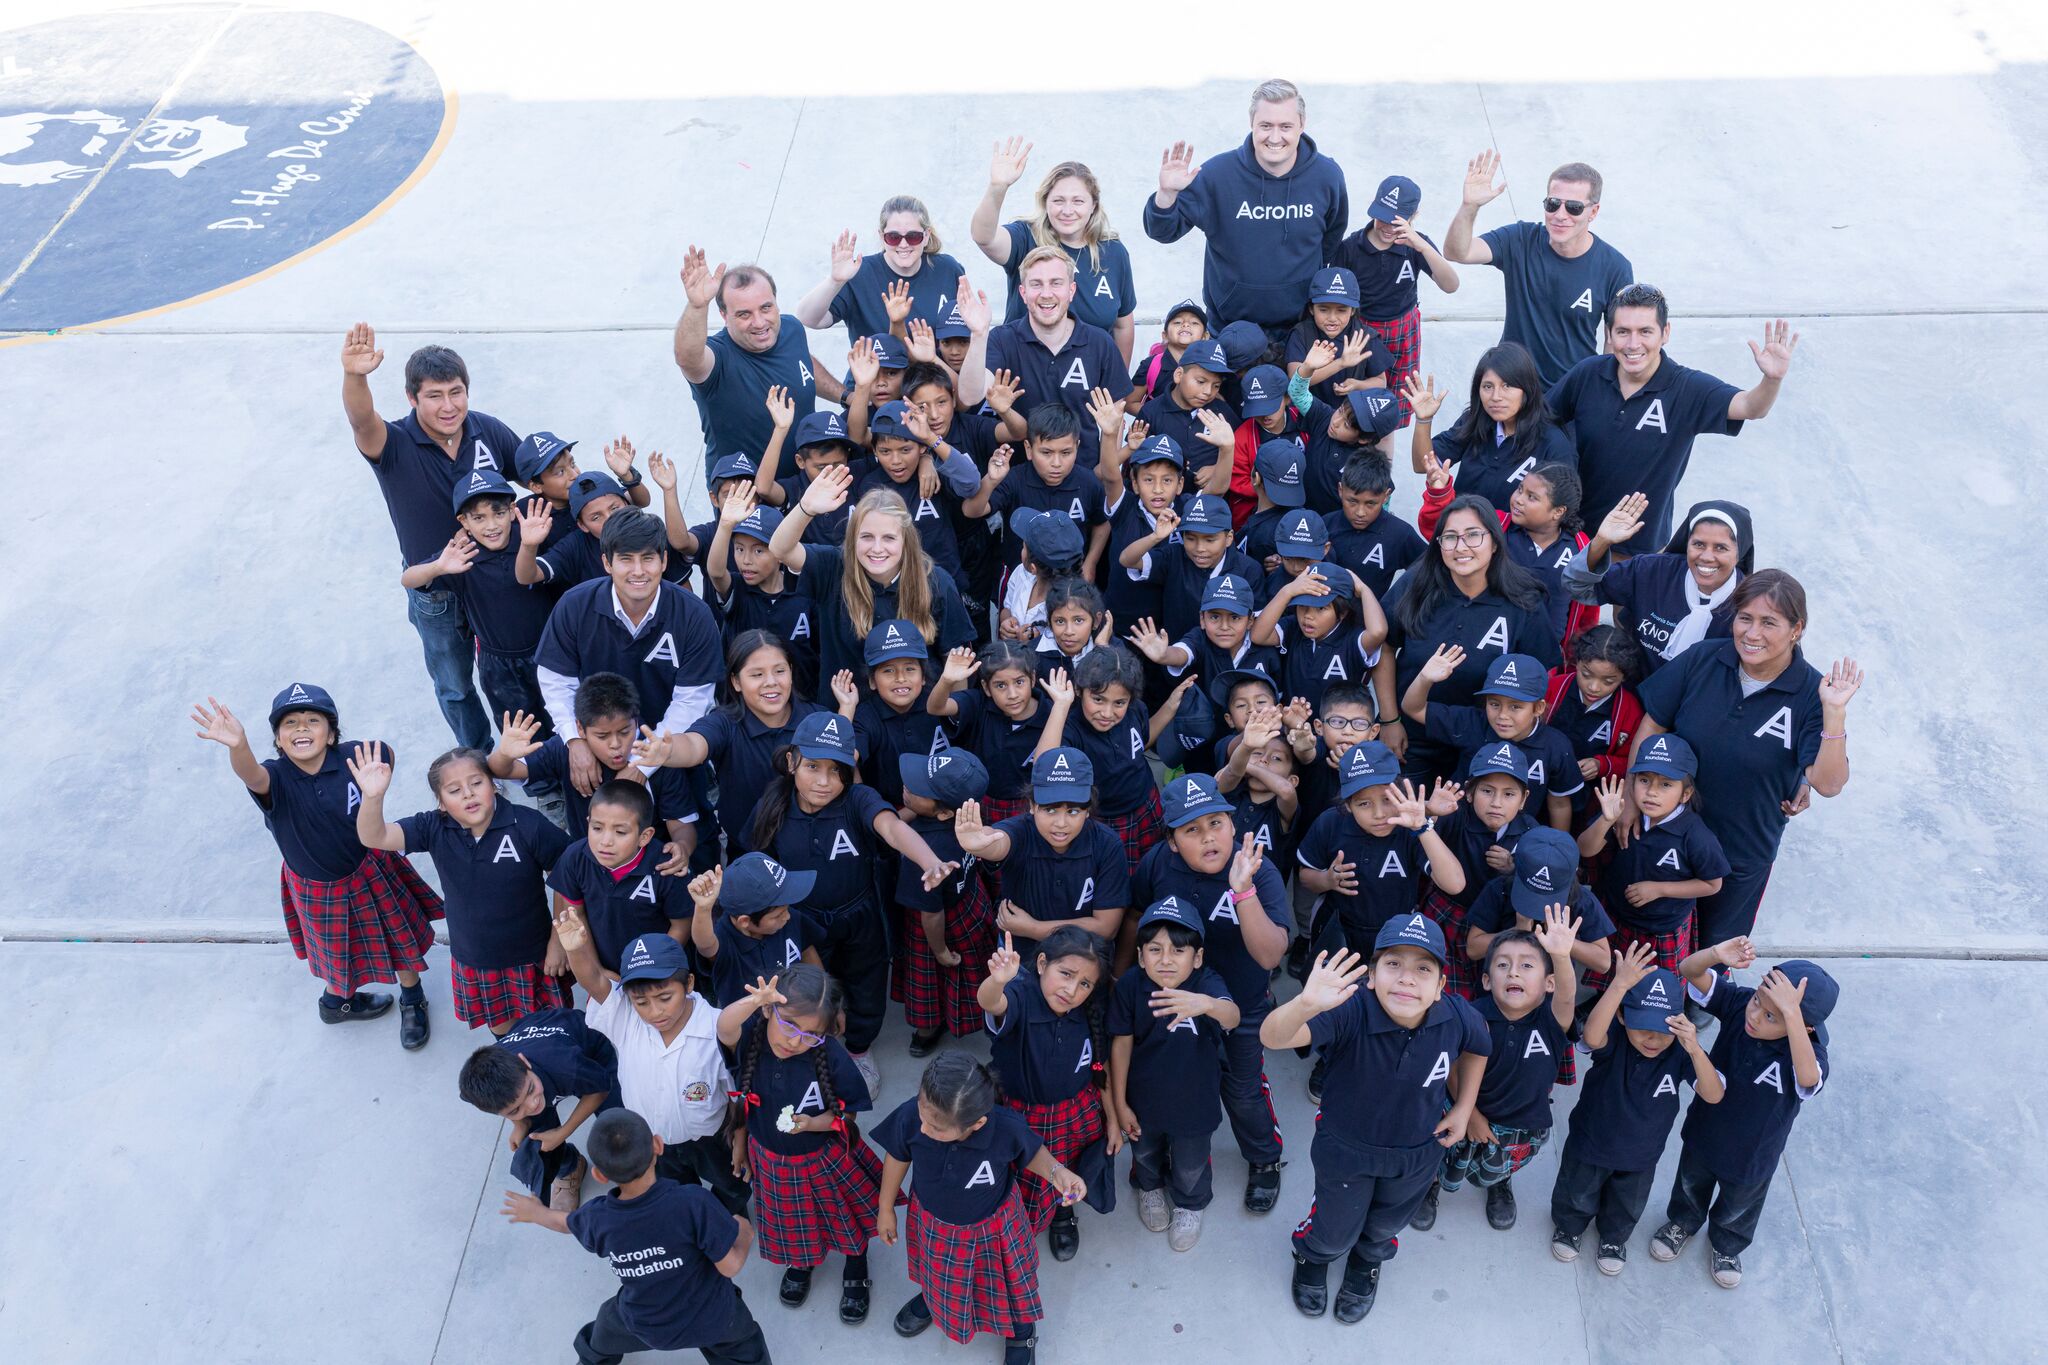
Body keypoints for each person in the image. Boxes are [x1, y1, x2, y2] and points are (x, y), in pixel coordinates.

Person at [1262, 919, 1489, 1324]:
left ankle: (1367, 1260)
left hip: (1418, 1151)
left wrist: (1464, 1105)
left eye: (1423, 969)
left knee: (1388, 1222)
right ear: (1371, 975)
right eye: (1393, 964)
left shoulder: (1455, 1015)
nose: (1407, 978)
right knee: (1334, 1225)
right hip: (1346, 1149)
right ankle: (1314, 1255)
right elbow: (1273, 1037)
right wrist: (1305, 1004)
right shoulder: (1349, 1010)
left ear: (1440, 985)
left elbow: (1479, 1043)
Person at [191, 686, 438, 1047]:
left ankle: (412, 998)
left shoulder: (354, 759)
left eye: (312, 720)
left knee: (396, 938)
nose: (302, 727)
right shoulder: (275, 778)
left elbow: (384, 754)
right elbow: (251, 774)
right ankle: (336, 1003)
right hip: (318, 888)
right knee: (335, 953)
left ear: (332, 734)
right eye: (290, 723)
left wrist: (375, 785)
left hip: (369, 869)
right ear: (278, 740)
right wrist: (238, 746)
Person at [1628, 571, 1861, 942]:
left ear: (1796, 629)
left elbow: (1829, 784)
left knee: (1714, 953)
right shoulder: (1702, 659)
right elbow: (1653, 725)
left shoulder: (1811, 693)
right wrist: (1630, 799)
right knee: (1649, 943)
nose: (1752, 634)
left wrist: (1834, 713)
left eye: (1768, 622)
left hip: (1741, 852)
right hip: (1666, 835)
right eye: (1745, 618)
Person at [744, 711, 958, 1095]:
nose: (824, 781)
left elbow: (892, 827)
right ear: (791, 762)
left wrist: (929, 860)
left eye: (836, 770)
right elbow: (756, 862)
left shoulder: (857, 799)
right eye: (812, 766)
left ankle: (859, 1050)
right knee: (805, 988)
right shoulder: (773, 804)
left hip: (860, 915)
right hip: (799, 918)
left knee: (866, 984)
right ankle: (812, 1046)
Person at [341, 326, 520, 751]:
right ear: (412, 398)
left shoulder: (487, 431)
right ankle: (478, 759)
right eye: (434, 396)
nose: (448, 405)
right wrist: (355, 376)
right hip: (436, 589)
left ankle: (527, 758)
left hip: (495, 579)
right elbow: (362, 421)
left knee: (514, 669)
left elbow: (538, 475)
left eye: (456, 392)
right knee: (455, 686)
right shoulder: (395, 444)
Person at [1131, 775, 1291, 1211]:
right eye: (1192, 830)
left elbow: (1270, 955)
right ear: (1171, 841)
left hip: (1241, 1002)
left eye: (1216, 823)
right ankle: (1167, 1151)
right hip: (1170, 1000)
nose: (1208, 837)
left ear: (1232, 824)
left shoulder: (1258, 869)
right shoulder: (1158, 864)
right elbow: (1134, 917)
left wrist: (1243, 891)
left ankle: (1264, 1157)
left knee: (1241, 1089)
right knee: (1170, 1080)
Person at [500, 1108, 770, 1365]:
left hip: (645, 1323)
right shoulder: (693, 1202)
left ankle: (592, 1359)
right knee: (744, 1343)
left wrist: (536, 1213)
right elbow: (729, 1265)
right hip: (713, 1318)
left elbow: (564, 1223)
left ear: (599, 1175)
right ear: (658, 1146)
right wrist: (743, 1234)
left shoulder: (598, 1217)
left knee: (606, 1327)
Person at [1547, 284, 1798, 554]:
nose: (1633, 344)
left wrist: (1772, 379)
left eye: (1645, 331)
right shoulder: (1588, 373)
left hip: (1637, 550)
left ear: (1665, 333)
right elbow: (1542, 420)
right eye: (1623, 332)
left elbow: (1750, 407)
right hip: (1570, 536)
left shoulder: (1687, 388)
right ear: (1609, 333)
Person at [873, 1053, 1086, 1363]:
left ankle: (1021, 1331)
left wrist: (1058, 1172)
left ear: (977, 1124)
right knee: (938, 1272)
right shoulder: (914, 1117)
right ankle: (934, 1299)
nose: (924, 1129)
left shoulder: (1005, 1128)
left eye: (937, 1127)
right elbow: (898, 1154)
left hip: (994, 1228)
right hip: (934, 1224)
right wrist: (885, 1207)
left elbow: (1031, 1152)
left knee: (1011, 1283)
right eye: (923, 1114)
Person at [1653, 939, 1836, 1290]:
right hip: (1707, 1128)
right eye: (1757, 1002)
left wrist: (1792, 1015)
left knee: (1739, 1206)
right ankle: (1683, 1223)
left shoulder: (1807, 1053)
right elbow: (1689, 970)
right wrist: (1715, 955)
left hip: (1755, 1151)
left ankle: (1727, 1245)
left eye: (1771, 1016)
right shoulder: (1740, 1005)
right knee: (1690, 1185)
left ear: (1804, 1027)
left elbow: (1808, 1079)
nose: (1754, 1016)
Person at [352, 744, 571, 1033]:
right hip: (476, 958)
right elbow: (375, 836)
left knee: (551, 1029)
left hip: (535, 954)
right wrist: (372, 797)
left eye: (476, 783)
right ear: (441, 803)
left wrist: (559, 940)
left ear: (494, 786)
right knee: (503, 1031)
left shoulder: (529, 825)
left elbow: (567, 875)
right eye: (454, 790)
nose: (468, 793)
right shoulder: (433, 827)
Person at [715, 968, 880, 1325]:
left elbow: (848, 1114)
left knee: (842, 1216)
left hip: (824, 1159)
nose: (794, 1041)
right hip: (770, 1159)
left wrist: (815, 1123)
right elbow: (724, 1028)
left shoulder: (830, 1056)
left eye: (810, 1035)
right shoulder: (751, 1040)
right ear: (768, 1011)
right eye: (789, 1025)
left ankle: (856, 1264)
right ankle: (802, 1260)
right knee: (793, 1220)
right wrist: (740, 1143)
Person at [555, 922, 752, 1219]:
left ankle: (725, 1216)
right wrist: (575, 949)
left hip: (711, 1137)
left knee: (732, 1185)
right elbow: (594, 981)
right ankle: (693, 1218)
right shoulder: (625, 1020)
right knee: (674, 1190)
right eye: (641, 1002)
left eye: (665, 998)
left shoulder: (718, 1028)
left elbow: (738, 1092)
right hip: (654, 1140)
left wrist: (740, 1138)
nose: (655, 1012)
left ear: (689, 984)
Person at [1549, 950, 1722, 1275]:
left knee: (1627, 1203)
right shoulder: (1613, 1038)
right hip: (1591, 1141)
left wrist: (1695, 1048)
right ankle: (1569, 1227)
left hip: (1642, 1153)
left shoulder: (1681, 1053)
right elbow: (1591, 1036)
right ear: (1622, 1016)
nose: (1653, 1039)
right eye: (1643, 1028)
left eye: (1664, 1030)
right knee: (1577, 1191)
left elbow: (1713, 1095)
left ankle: (1613, 1239)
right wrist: (1619, 985)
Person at [536, 510, 725, 797]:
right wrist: (575, 740)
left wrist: (643, 764)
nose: (638, 571)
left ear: (664, 561)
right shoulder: (574, 606)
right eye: (626, 559)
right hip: (597, 747)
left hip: (671, 748)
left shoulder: (694, 615)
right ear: (607, 563)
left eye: (648, 558)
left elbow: (692, 701)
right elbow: (557, 681)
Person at [1374, 495, 1562, 779]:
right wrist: (1389, 720)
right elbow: (1384, 647)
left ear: (1495, 542)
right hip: (1411, 734)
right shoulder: (1417, 583)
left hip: (1486, 741)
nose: (1461, 547)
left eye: (1473, 535)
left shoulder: (1523, 599)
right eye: (1450, 537)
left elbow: (1540, 673)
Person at [1143, 78, 1348, 336]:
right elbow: (1163, 232)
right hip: (1230, 329)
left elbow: (1330, 239)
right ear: (1252, 123)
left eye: (1285, 126)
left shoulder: (1326, 176)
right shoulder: (1217, 175)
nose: (1275, 137)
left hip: (1302, 329)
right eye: (1265, 126)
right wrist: (1166, 194)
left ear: (1302, 124)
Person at [1415, 914, 1580, 1234]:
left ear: (1549, 983)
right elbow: (1451, 1069)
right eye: (1503, 964)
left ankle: (1500, 1182)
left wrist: (1561, 956)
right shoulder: (1471, 1016)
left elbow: (1567, 996)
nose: (1514, 971)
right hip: (1463, 1109)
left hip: (1520, 1121)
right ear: (1487, 980)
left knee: (1503, 1163)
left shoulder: (1551, 1020)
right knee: (1439, 1150)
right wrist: (1471, 1114)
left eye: (1527, 965)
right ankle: (1429, 1184)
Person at [1108, 891, 1244, 1252]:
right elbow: (1120, 1044)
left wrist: (1207, 1004)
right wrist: (1120, 1104)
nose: (1166, 959)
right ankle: (1150, 1188)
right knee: (1144, 1152)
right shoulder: (1130, 986)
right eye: (1154, 949)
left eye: (1178, 950)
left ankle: (1190, 1204)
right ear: (1140, 955)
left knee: (1190, 1163)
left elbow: (1232, 1016)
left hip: (1195, 1101)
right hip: (1143, 1097)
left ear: (1197, 957)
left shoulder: (1206, 984)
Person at [767, 471, 977, 702]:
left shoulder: (936, 581)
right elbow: (780, 549)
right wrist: (806, 508)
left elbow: (955, 662)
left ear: (906, 540)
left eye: (889, 538)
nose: (877, 548)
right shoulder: (833, 567)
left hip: (919, 715)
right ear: (852, 538)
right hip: (847, 713)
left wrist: (955, 716)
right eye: (867, 537)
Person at [977, 927, 1117, 1261]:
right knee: (1024, 1172)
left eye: (1085, 983)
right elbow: (991, 1002)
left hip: (1074, 1112)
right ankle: (1019, 1218)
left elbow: (1100, 1067)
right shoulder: (1020, 996)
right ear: (1042, 964)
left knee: (1069, 1164)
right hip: (1022, 1115)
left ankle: (1062, 1213)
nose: (1071, 990)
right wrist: (997, 981)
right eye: (1065, 974)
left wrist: (1112, 1118)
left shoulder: (1089, 1012)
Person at [1441, 152, 1633, 388]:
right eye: (1553, 204)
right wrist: (1469, 206)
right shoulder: (1520, 239)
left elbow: (1615, 341)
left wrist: (1603, 392)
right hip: (1512, 389)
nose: (1560, 215)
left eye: (1573, 208)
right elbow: (1458, 252)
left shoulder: (1615, 267)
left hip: (1571, 393)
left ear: (1593, 212)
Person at [633, 632, 827, 856]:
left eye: (780, 671)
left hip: (814, 850)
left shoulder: (817, 719)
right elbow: (695, 745)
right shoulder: (725, 723)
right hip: (748, 855)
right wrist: (669, 752)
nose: (771, 682)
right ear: (736, 682)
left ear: (791, 672)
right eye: (757, 674)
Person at [1575, 734, 1730, 979]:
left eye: (1666, 784)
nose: (1652, 792)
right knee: (1612, 977)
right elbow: (1585, 849)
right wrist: (1606, 820)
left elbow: (1713, 884)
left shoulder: (1695, 836)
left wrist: (1660, 889)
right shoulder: (1623, 815)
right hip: (1616, 913)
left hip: (1662, 926)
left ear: (1686, 794)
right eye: (1644, 780)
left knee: (1656, 987)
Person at [675, 246, 846, 464]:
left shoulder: (791, 328)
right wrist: (697, 306)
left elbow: (803, 364)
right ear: (724, 315)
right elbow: (688, 359)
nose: (759, 322)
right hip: (745, 484)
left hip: (803, 478)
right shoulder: (717, 357)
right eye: (744, 314)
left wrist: (846, 396)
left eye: (765, 308)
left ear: (776, 302)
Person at [972, 139, 1137, 361]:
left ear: (1093, 205)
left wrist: (1118, 377)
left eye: (1078, 201)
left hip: (1089, 376)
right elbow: (984, 237)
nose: (1067, 210)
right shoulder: (1025, 238)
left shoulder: (1113, 252)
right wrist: (997, 187)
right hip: (1023, 371)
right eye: (1058, 200)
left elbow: (1122, 325)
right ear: (1045, 202)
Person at [952, 749, 1130, 952]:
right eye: (1050, 810)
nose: (1061, 823)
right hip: (1021, 958)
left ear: (1088, 809)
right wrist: (981, 843)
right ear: (1032, 805)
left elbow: (1106, 928)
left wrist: (1034, 929)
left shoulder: (1107, 845)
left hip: (1083, 959)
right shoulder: (1020, 831)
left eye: (1073, 811)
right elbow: (998, 842)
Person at [1565, 496, 1754, 676]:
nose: (1706, 556)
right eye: (1698, 544)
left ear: (1740, 552)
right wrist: (1601, 541)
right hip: (1631, 693)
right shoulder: (1652, 571)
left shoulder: (1750, 602)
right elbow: (1577, 586)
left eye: (1720, 548)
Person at [458, 1007, 618, 1213]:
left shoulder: (566, 1065)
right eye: (514, 1110)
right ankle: (569, 1168)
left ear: (524, 1063)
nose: (532, 1105)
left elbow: (600, 1090)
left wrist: (562, 1133)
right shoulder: (487, 1086)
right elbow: (517, 1100)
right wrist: (520, 1124)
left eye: (530, 1090)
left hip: (589, 1049)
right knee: (533, 1132)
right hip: (537, 1048)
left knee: (616, 1117)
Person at [1327, 174, 1460, 416]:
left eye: (1397, 221)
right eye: (1383, 218)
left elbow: (1451, 285)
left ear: (1413, 216)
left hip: (1402, 328)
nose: (1388, 228)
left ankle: (1388, 440)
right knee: (1358, 403)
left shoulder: (1417, 246)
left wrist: (1422, 247)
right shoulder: (1350, 248)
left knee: (1395, 403)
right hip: (1361, 330)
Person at [894, 749, 998, 1054]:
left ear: (943, 813)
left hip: (937, 923)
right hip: (971, 902)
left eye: (919, 790)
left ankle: (928, 1025)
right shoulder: (968, 818)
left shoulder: (925, 856)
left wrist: (939, 950)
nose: (907, 786)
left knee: (935, 974)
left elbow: (931, 914)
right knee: (977, 965)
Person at [983, 248, 1128, 462]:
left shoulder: (1101, 343)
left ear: (1071, 290)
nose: (1046, 294)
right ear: (1023, 293)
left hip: (1084, 473)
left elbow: (1116, 417)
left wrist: (1106, 473)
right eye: (1036, 284)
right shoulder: (1001, 339)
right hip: (1018, 473)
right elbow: (971, 397)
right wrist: (978, 333)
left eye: (1056, 283)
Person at [1403, 342, 1577, 515]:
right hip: (1461, 529)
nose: (1496, 396)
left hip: (1513, 534)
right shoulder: (1474, 421)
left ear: (1527, 388)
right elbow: (1422, 466)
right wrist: (1423, 420)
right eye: (1488, 386)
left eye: (1507, 386)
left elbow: (1558, 514)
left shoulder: (1553, 444)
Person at [547, 782, 691, 973]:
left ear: (645, 836)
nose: (605, 841)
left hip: (657, 972)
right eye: (597, 828)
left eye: (620, 832)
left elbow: (681, 926)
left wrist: (651, 972)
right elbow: (577, 916)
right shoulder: (575, 858)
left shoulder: (667, 867)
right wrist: (598, 971)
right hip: (605, 971)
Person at [794, 197, 970, 343]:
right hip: (876, 374)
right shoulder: (858, 273)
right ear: (881, 236)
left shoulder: (947, 269)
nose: (903, 244)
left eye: (913, 236)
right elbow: (808, 319)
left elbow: (968, 325)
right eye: (893, 237)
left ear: (926, 236)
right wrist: (834, 281)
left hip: (935, 374)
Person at [686, 855, 821, 1008]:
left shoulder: (787, 918)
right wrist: (703, 908)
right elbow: (705, 945)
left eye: (787, 909)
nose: (787, 916)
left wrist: (825, 1001)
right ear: (745, 921)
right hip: (747, 1023)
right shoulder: (724, 938)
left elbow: (807, 952)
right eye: (778, 915)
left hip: (797, 1015)